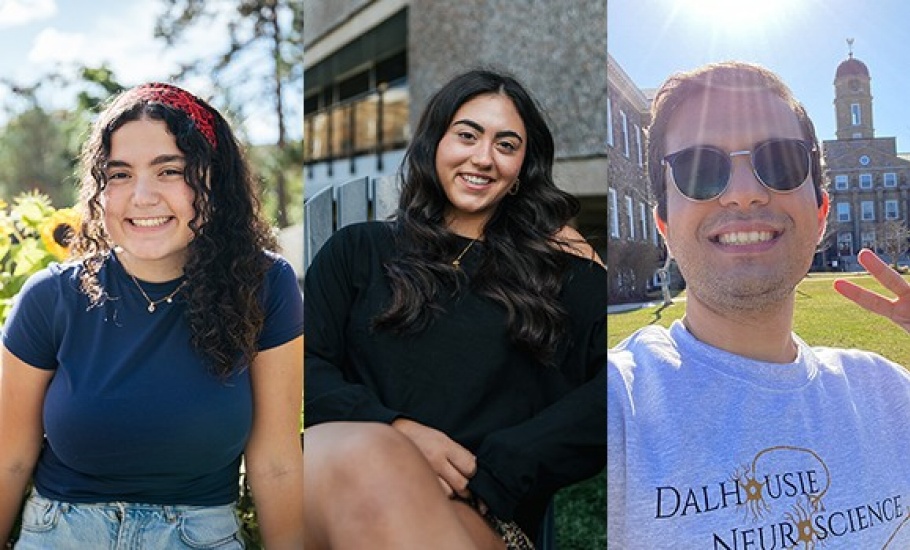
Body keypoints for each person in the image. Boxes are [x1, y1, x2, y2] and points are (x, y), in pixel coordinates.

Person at [608, 61, 910, 549]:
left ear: (820, 213)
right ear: (663, 224)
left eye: (782, 162)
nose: (745, 193)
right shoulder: (616, 408)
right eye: (701, 169)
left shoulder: (891, 396)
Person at [303, 68, 608, 549]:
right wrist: (398, 434)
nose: (483, 158)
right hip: (342, 489)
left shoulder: (559, 278)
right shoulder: (357, 251)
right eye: (467, 135)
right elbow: (306, 368)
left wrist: (504, 466)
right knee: (354, 456)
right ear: (434, 144)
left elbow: (617, 392)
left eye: (506, 146)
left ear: (521, 171)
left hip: (475, 514)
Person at [0, 82, 304, 548]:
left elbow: (277, 464)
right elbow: (9, 458)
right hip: (61, 533)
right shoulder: (50, 298)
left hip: (198, 535)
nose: (142, 196)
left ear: (213, 179)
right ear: (98, 192)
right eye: (119, 174)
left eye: (170, 171)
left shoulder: (265, 287)